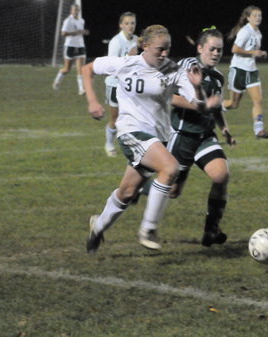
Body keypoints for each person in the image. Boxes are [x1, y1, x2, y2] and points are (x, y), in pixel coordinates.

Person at [83, 25, 220, 253]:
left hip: (157, 137)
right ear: (145, 46)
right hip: (131, 131)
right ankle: (148, 229)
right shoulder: (126, 64)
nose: (164, 54)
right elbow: (88, 69)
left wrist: (197, 88)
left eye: (168, 49)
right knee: (170, 168)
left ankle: (98, 226)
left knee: (128, 191)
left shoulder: (174, 70)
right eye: (160, 49)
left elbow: (198, 104)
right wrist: (92, 101)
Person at [168, 27, 236, 247]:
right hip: (182, 136)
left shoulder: (217, 77)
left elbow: (216, 108)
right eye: (212, 49)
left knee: (221, 175)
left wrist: (224, 129)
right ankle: (136, 190)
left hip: (205, 136)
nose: (216, 54)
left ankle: (211, 230)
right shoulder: (188, 66)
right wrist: (202, 105)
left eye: (220, 50)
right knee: (171, 191)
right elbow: (170, 97)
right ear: (199, 48)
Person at [223, 5, 268, 138]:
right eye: (255, 16)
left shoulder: (258, 33)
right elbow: (234, 49)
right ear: (248, 18)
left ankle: (259, 131)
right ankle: (211, 108)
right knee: (233, 104)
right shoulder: (245, 31)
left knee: (258, 101)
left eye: (260, 15)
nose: (258, 18)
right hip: (239, 69)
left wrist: (259, 53)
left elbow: (252, 51)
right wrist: (253, 52)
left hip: (252, 70)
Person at [103, 11, 138, 157]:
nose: (130, 26)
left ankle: (133, 145)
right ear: (121, 25)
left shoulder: (136, 40)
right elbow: (111, 66)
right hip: (115, 85)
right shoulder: (116, 42)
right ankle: (109, 144)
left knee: (133, 116)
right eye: (127, 23)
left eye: (132, 23)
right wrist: (128, 57)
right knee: (115, 119)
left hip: (130, 85)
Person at [52, 4, 89, 95]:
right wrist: (76, 32)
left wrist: (84, 32)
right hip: (70, 46)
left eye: (78, 10)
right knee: (67, 69)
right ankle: (57, 81)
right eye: (75, 10)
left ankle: (81, 89)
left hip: (80, 46)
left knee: (80, 69)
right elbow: (63, 33)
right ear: (71, 11)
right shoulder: (68, 20)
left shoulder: (81, 20)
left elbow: (80, 32)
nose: (76, 11)